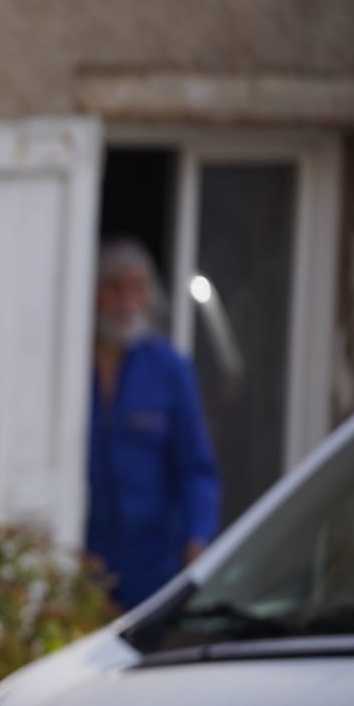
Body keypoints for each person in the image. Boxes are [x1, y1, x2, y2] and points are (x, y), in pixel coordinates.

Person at [85, 237, 221, 609]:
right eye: (115, 289)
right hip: (84, 555)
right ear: (93, 293)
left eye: (137, 289)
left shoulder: (168, 369)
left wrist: (197, 539)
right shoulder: (70, 363)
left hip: (153, 562)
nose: (127, 303)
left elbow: (197, 469)